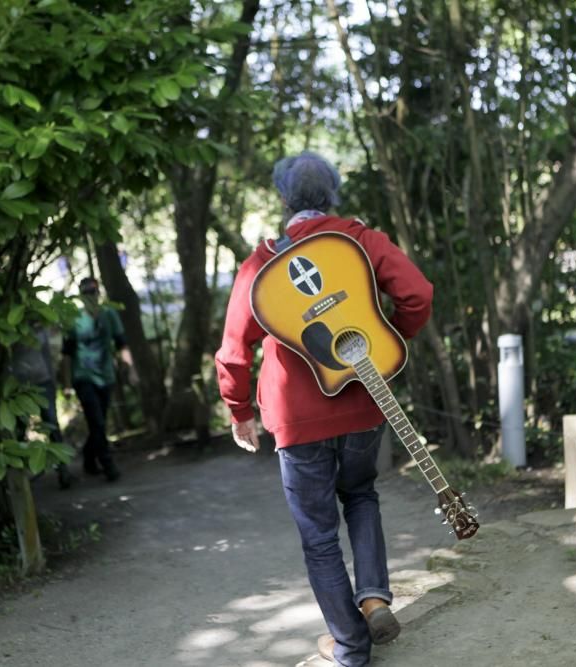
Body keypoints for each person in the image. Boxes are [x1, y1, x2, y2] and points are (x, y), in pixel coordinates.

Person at [214, 152, 434, 667]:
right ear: (333, 193)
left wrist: (239, 410)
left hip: (295, 416)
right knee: (361, 495)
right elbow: (418, 293)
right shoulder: (357, 240)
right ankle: (375, 599)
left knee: (318, 535)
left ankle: (351, 647)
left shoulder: (261, 263)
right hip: (363, 402)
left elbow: (232, 350)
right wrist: (384, 340)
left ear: (283, 199)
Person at [61, 276, 133, 482]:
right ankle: (108, 464)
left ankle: (89, 459)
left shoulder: (109, 314)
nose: (91, 296)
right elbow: (66, 355)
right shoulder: (73, 318)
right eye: (87, 293)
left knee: (98, 422)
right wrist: (66, 385)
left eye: (93, 292)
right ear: (81, 296)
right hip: (83, 377)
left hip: (106, 376)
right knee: (97, 421)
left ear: (98, 293)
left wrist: (130, 368)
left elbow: (121, 343)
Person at [10, 322, 73, 490]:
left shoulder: (41, 329)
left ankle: (63, 469)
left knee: (52, 424)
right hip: (19, 386)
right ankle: (21, 477)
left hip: (43, 382)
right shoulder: (11, 328)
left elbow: (48, 356)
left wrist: (53, 381)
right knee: (19, 429)